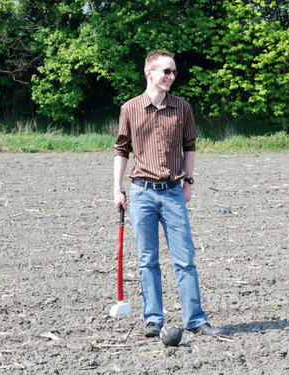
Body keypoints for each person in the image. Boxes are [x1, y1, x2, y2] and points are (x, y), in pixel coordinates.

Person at [113, 50, 221, 337]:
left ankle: (196, 320)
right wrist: (117, 189)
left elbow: (190, 146)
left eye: (173, 72)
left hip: (173, 192)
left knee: (185, 258)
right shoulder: (130, 108)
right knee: (148, 260)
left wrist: (189, 183)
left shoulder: (182, 108)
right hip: (142, 194)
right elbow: (121, 151)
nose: (172, 77)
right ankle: (153, 320)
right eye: (166, 72)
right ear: (150, 72)